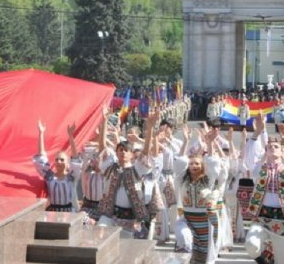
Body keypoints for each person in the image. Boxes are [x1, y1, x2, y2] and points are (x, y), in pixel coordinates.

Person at [243, 114, 284, 264]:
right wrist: (257, 132)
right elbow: (249, 159)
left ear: (282, 150)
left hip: (282, 219)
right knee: (251, 244)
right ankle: (262, 261)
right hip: (262, 216)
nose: (272, 148)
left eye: (275, 146)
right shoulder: (260, 169)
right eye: (269, 147)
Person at [96, 111, 163, 239]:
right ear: (116, 152)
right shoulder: (111, 167)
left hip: (131, 220)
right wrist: (104, 122)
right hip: (111, 216)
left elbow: (145, 153)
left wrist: (149, 128)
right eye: (120, 150)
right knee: (101, 232)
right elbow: (102, 149)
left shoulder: (137, 169)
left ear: (132, 154)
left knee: (126, 250)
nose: (123, 153)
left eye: (126, 150)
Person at [174, 124, 225, 264]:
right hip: (188, 220)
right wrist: (185, 141)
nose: (194, 166)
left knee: (204, 257)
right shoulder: (183, 180)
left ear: (202, 166)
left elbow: (213, 164)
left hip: (205, 222)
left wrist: (209, 143)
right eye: (191, 164)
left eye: (197, 164)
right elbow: (179, 163)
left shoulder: (207, 180)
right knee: (186, 250)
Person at [33, 119, 82, 212]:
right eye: (57, 160)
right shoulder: (50, 177)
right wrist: (41, 134)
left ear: (67, 163)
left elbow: (75, 158)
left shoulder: (71, 177)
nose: (59, 162)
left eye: (62, 160)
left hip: (69, 213)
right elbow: (41, 157)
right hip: (52, 213)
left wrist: (71, 137)